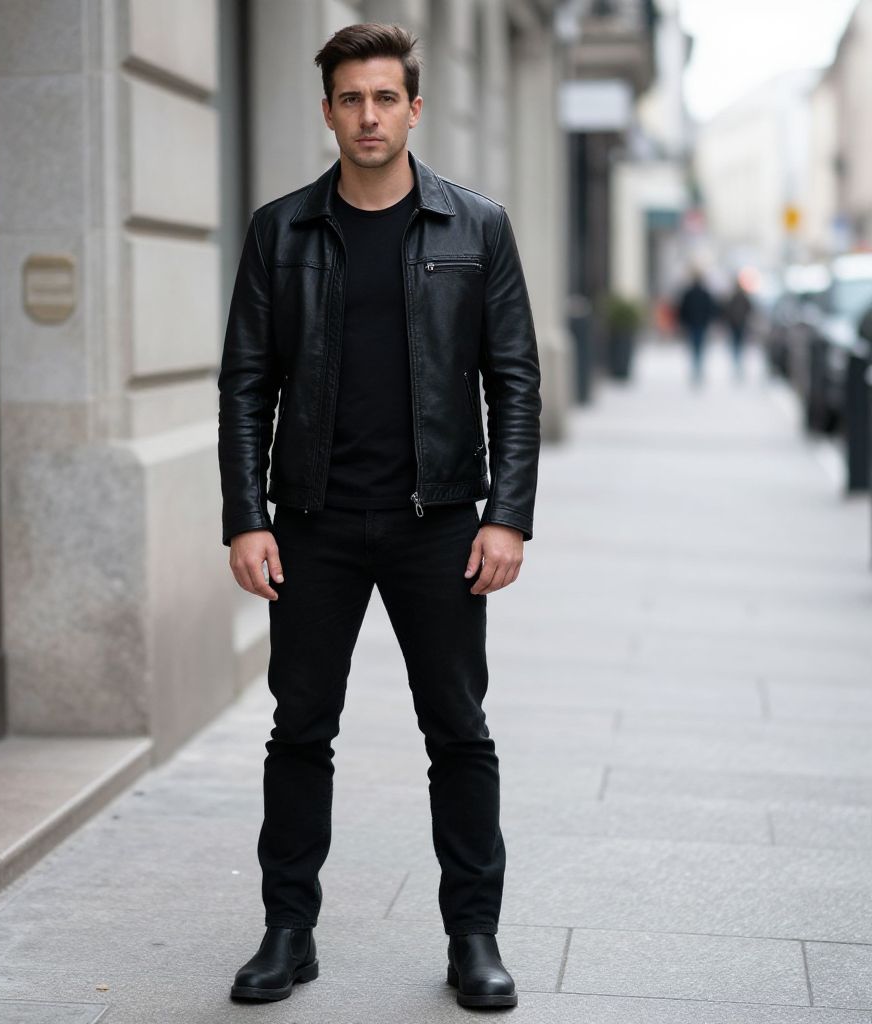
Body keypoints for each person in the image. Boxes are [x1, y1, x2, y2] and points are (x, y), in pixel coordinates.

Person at [217, 22, 541, 1011]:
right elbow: (244, 385)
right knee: (299, 729)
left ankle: (473, 937)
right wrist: (247, 514)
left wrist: (506, 515)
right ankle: (287, 932)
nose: (368, 115)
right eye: (350, 99)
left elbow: (514, 379)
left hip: (438, 522)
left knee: (458, 731)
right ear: (327, 111)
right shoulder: (281, 231)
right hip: (311, 522)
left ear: (413, 107)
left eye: (384, 98)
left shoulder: (474, 226)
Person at [676, 270, 718, 384]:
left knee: (694, 347)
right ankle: (698, 368)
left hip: (692, 324)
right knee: (699, 347)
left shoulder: (689, 293)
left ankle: (696, 369)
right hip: (701, 324)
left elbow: (682, 309)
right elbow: (711, 309)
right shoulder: (705, 293)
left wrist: (683, 322)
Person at [723, 277, 753, 378]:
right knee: (739, 344)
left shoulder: (732, 297)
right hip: (741, 323)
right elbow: (749, 309)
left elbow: (727, 310)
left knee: (735, 344)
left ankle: (737, 362)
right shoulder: (744, 297)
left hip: (734, 324)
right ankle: (738, 364)